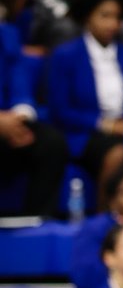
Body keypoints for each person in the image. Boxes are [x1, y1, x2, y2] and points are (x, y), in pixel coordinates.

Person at [47, 0, 123, 206]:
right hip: (83, 133)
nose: (112, 23)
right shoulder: (65, 55)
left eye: (117, 17)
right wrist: (104, 124)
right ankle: (104, 216)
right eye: (104, 16)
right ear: (87, 16)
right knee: (119, 153)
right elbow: (61, 109)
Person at [0, 17, 68, 216]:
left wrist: (20, 117)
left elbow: (18, 76)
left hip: (11, 119)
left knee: (51, 144)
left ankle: (37, 222)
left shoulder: (6, 33)